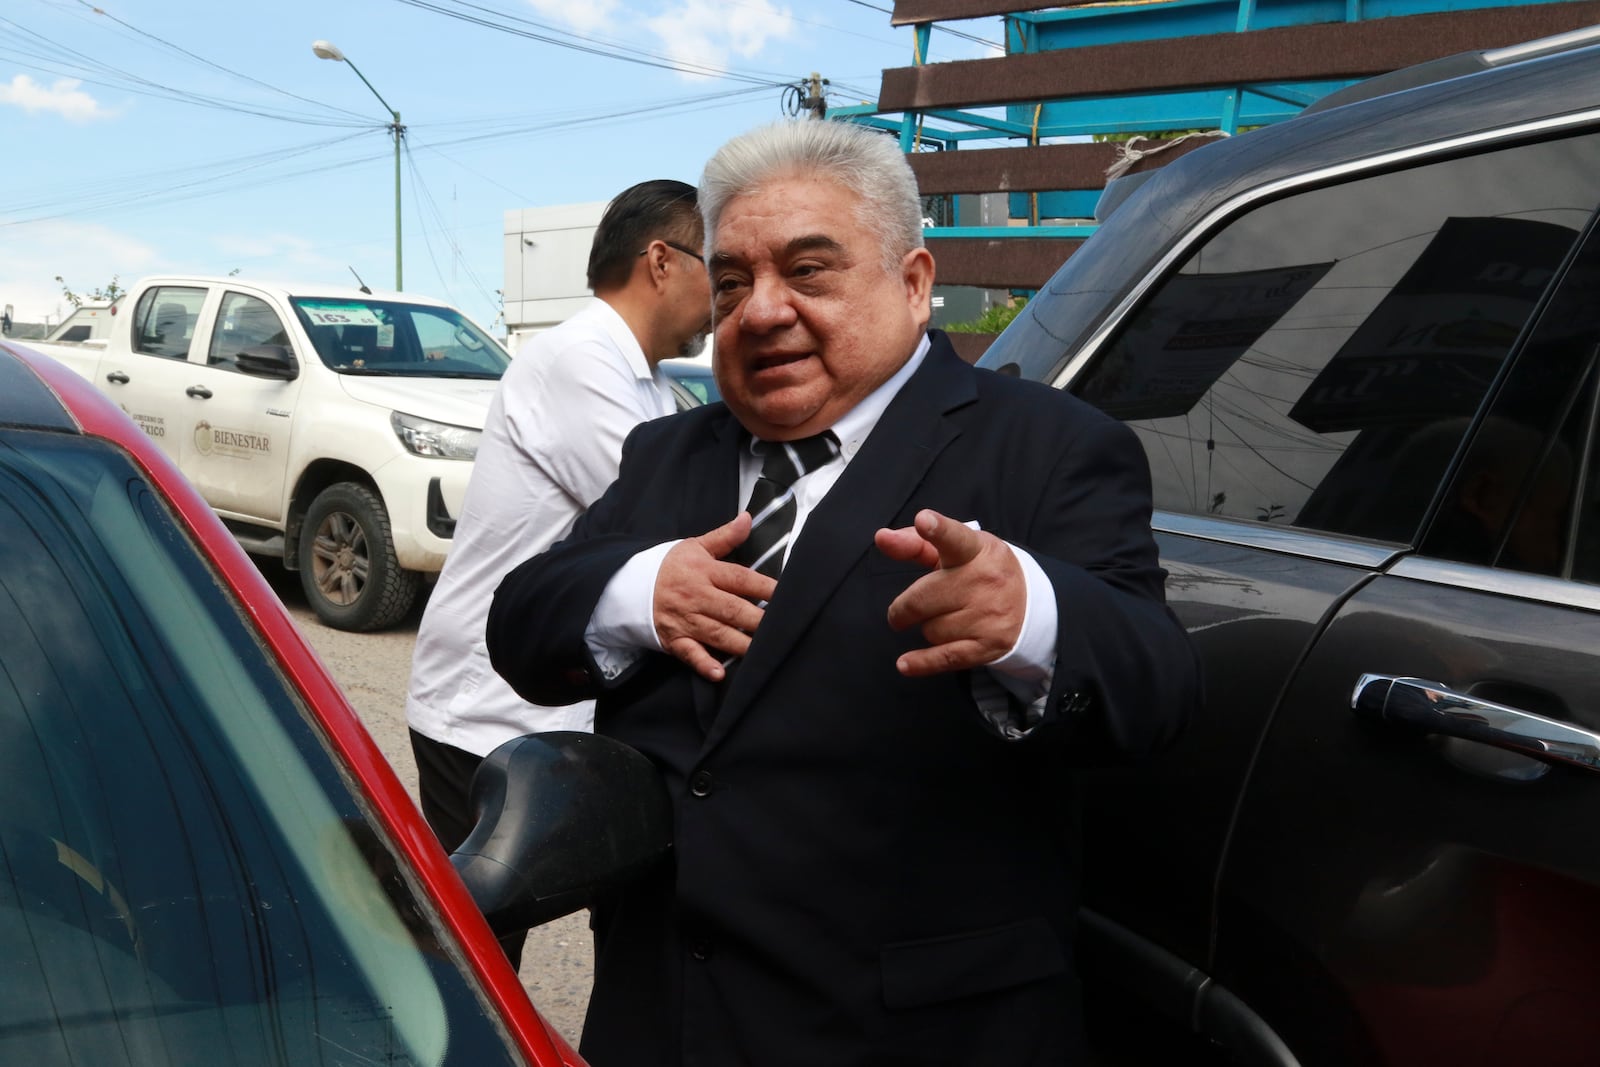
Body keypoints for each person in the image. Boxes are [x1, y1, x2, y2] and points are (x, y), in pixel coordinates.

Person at [486, 121, 1201, 1065]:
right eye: (733, 281)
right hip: (665, 1017)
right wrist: (639, 586)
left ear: (913, 282)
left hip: (915, 1030)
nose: (760, 311)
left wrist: (1033, 615)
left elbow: (1162, 691)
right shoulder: (666, 451)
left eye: (808, 271)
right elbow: (523, 623)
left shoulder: (1049, 444)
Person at [405, 178, 711, 966]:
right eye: (723, 266)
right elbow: (672, 526)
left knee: (489, 950)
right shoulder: (579, 361)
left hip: (541, 708)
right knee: (465, 964)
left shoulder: (651, 380)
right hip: (485, 710)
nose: (730, 292)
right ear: (662, 260)